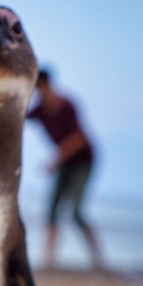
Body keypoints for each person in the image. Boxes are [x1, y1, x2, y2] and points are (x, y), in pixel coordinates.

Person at [26, 67, 104, 270]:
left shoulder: (66, 105)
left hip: (83, 161)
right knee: (51, 211)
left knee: (76, 211)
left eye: (37, 87)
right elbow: (19, 116)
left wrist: (55, 160)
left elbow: (79, 139)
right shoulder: (40, 110)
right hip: (64, 162)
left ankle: (98, 260)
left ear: (45, 85)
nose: (37, 92)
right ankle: (49, 262)